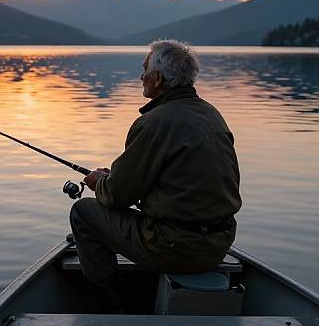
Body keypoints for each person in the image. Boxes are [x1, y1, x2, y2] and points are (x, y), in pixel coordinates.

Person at [69, 39, 242, 312]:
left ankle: (109, 306)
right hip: (218, 243)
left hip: (176, 248)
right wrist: (114, 177)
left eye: (144, 69)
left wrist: (98, 181)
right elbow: (180, 179)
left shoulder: (153, 123)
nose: (141, 77)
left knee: (83, 212)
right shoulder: (211, 115)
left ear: (158, 78)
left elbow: (117, 197)